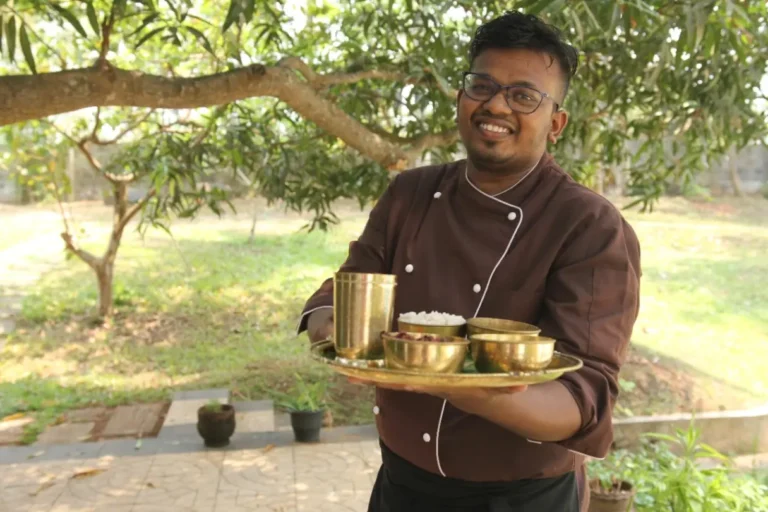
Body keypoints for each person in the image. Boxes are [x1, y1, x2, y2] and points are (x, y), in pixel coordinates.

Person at [297, 10, 641, 512]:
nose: (496, 104)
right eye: (482, 85)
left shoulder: (588, 225)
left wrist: (455, 384)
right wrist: (337, 331)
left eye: (524, 95)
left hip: (521, 496)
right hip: (401, 483)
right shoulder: (410, 193)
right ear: (461, 98)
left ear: (557, 122)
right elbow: (349, 287)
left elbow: (583, 395)